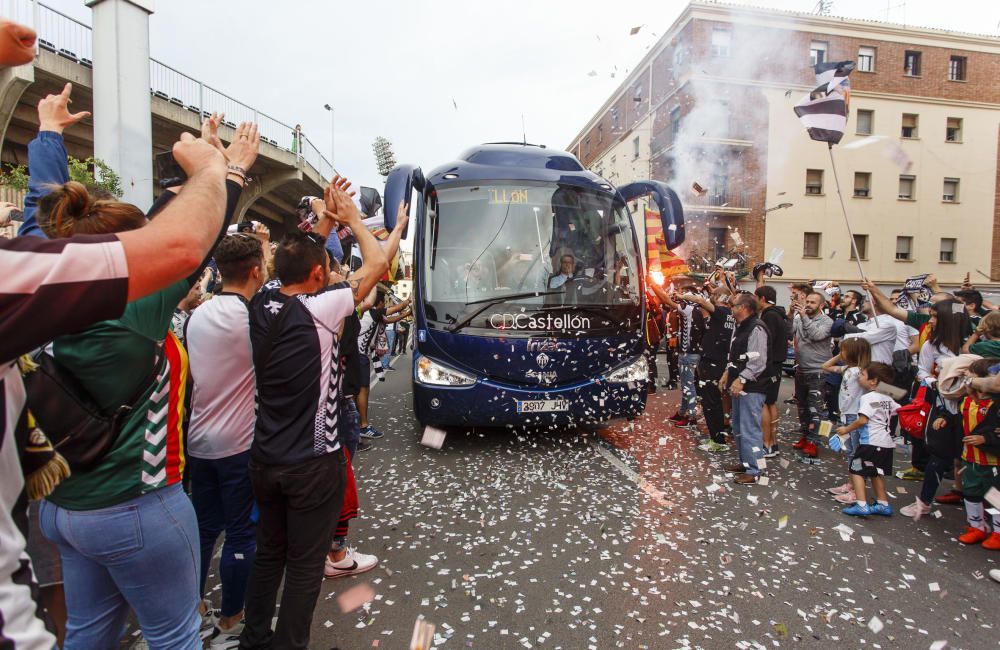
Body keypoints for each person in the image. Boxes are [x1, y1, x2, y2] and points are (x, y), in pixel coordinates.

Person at [0, 62, 228, 650]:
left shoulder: (32, 284)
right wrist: (216, 168)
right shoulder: (136, 306)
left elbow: (40, 210)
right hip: (136, 507)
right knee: (174, 634)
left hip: (59, 509)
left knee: (89, 631)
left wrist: (48, 131)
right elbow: (187, 243)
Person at [240, 177, 388, 650]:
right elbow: (380, 263)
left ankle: (254, 639)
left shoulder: (261, 302)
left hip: (265, 457)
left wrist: (324, 217)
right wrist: (352, 219)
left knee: (270, 555)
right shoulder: (323, 308)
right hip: (312, 460)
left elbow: (298, 259)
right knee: (304, 566)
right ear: (321, 276)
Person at [185, 233, 268, 646]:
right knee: (240, 533)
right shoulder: (250, 319)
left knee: (202, 528)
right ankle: (232, 617)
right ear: (255, 270)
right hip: (238, 443)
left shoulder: (198, 314)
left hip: (198, 440)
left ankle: (194, 607)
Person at [833, 362, 900, 517]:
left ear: (873, 381)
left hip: (870, 442)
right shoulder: (887, 398)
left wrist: (846, 429)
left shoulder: (869, 397)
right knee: (876, 472)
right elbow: (897, 410)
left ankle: (862, 504)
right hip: (886, 443)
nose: (859, 376)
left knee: (856, 469)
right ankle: (883, 504)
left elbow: (862, 420)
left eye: (862, 374)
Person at [720, 293, 770, 485]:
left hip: (752, 386)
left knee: (750, 428)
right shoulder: (740, 327)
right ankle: (746, 462)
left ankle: (756, 469)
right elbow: (734, 356)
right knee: (739, 427)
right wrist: (727, 374)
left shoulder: (756, 328)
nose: (730, 308)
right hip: (738, 383)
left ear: (743, 308)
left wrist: (741, 379)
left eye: (733, 305)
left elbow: (758, 362)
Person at [952, 359, 1000, 549]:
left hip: (992, 461)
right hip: (969, 457)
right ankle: (977, 526)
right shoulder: (966, 400)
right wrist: (942, 419)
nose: (968, 379)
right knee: (971, 491)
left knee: (995, 496)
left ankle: (997, 532)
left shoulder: (995, 406)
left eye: (972, 376)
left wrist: (986, 439)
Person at [685, 287, 736, 450]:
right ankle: (717, 437)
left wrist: (684, 296)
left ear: (721, 297)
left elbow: (701, 301)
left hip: (712, 362)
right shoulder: (731, 316)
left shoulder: (721, 312)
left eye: (714, 295)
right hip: (720, 360)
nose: (711, 298)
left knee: (711, 402)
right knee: (715, 401)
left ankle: (718, 440)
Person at [823, 337, 872, 503]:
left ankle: (857, 491)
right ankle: (851, 484)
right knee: (850, 451)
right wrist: (839, 355)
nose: (841, 352)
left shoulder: (861, 372)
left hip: (855, 415)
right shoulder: (847, 369)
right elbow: (826, 366)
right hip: (845, 413)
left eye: (844, 350)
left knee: (856, 453)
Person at [357, 292, 411, 439]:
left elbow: (389, 320)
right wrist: (408, 301)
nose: (385, 306)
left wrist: (406, 314)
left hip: (357, 354)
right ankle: (363, 425)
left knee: (356, 390)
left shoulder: (367, 313)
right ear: (379, 303)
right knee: (363, 389)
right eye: (383, 303)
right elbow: (393, 310)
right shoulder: (373, 312)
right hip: (360, 355)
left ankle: (356, 422)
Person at [649, 280, 704, 425]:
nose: (678, 294)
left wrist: (652, 283)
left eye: (682, 292)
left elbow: (666, 299)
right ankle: (682, 412)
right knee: (687, 384)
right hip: (692, 352)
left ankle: (691, 416)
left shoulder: (689, 309)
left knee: (688, 385)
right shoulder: (698, 308)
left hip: (687, 352)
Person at [790, 291, 833, 458]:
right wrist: (790, 313)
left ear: (821, 305)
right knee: (802, 407)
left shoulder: (827, 321)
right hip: (801, 369)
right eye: (807, 301)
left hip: (818, 371)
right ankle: (805, 436)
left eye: (812, 302)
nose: (808, 304)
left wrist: (803, 317)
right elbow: (789, 332)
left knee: (816, 409)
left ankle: (814, 442)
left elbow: (817, 335)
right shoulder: (799, 318)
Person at [754, 285, 787, 458]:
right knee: (771, 402)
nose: (754, 301)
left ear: (762, 299)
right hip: (776, 365)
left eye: (755, 297)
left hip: (770, 366)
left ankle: (766, 443)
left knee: (764, 403)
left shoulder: (770, 317)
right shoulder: (776, 314)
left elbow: (765, 343)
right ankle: (772, 442)